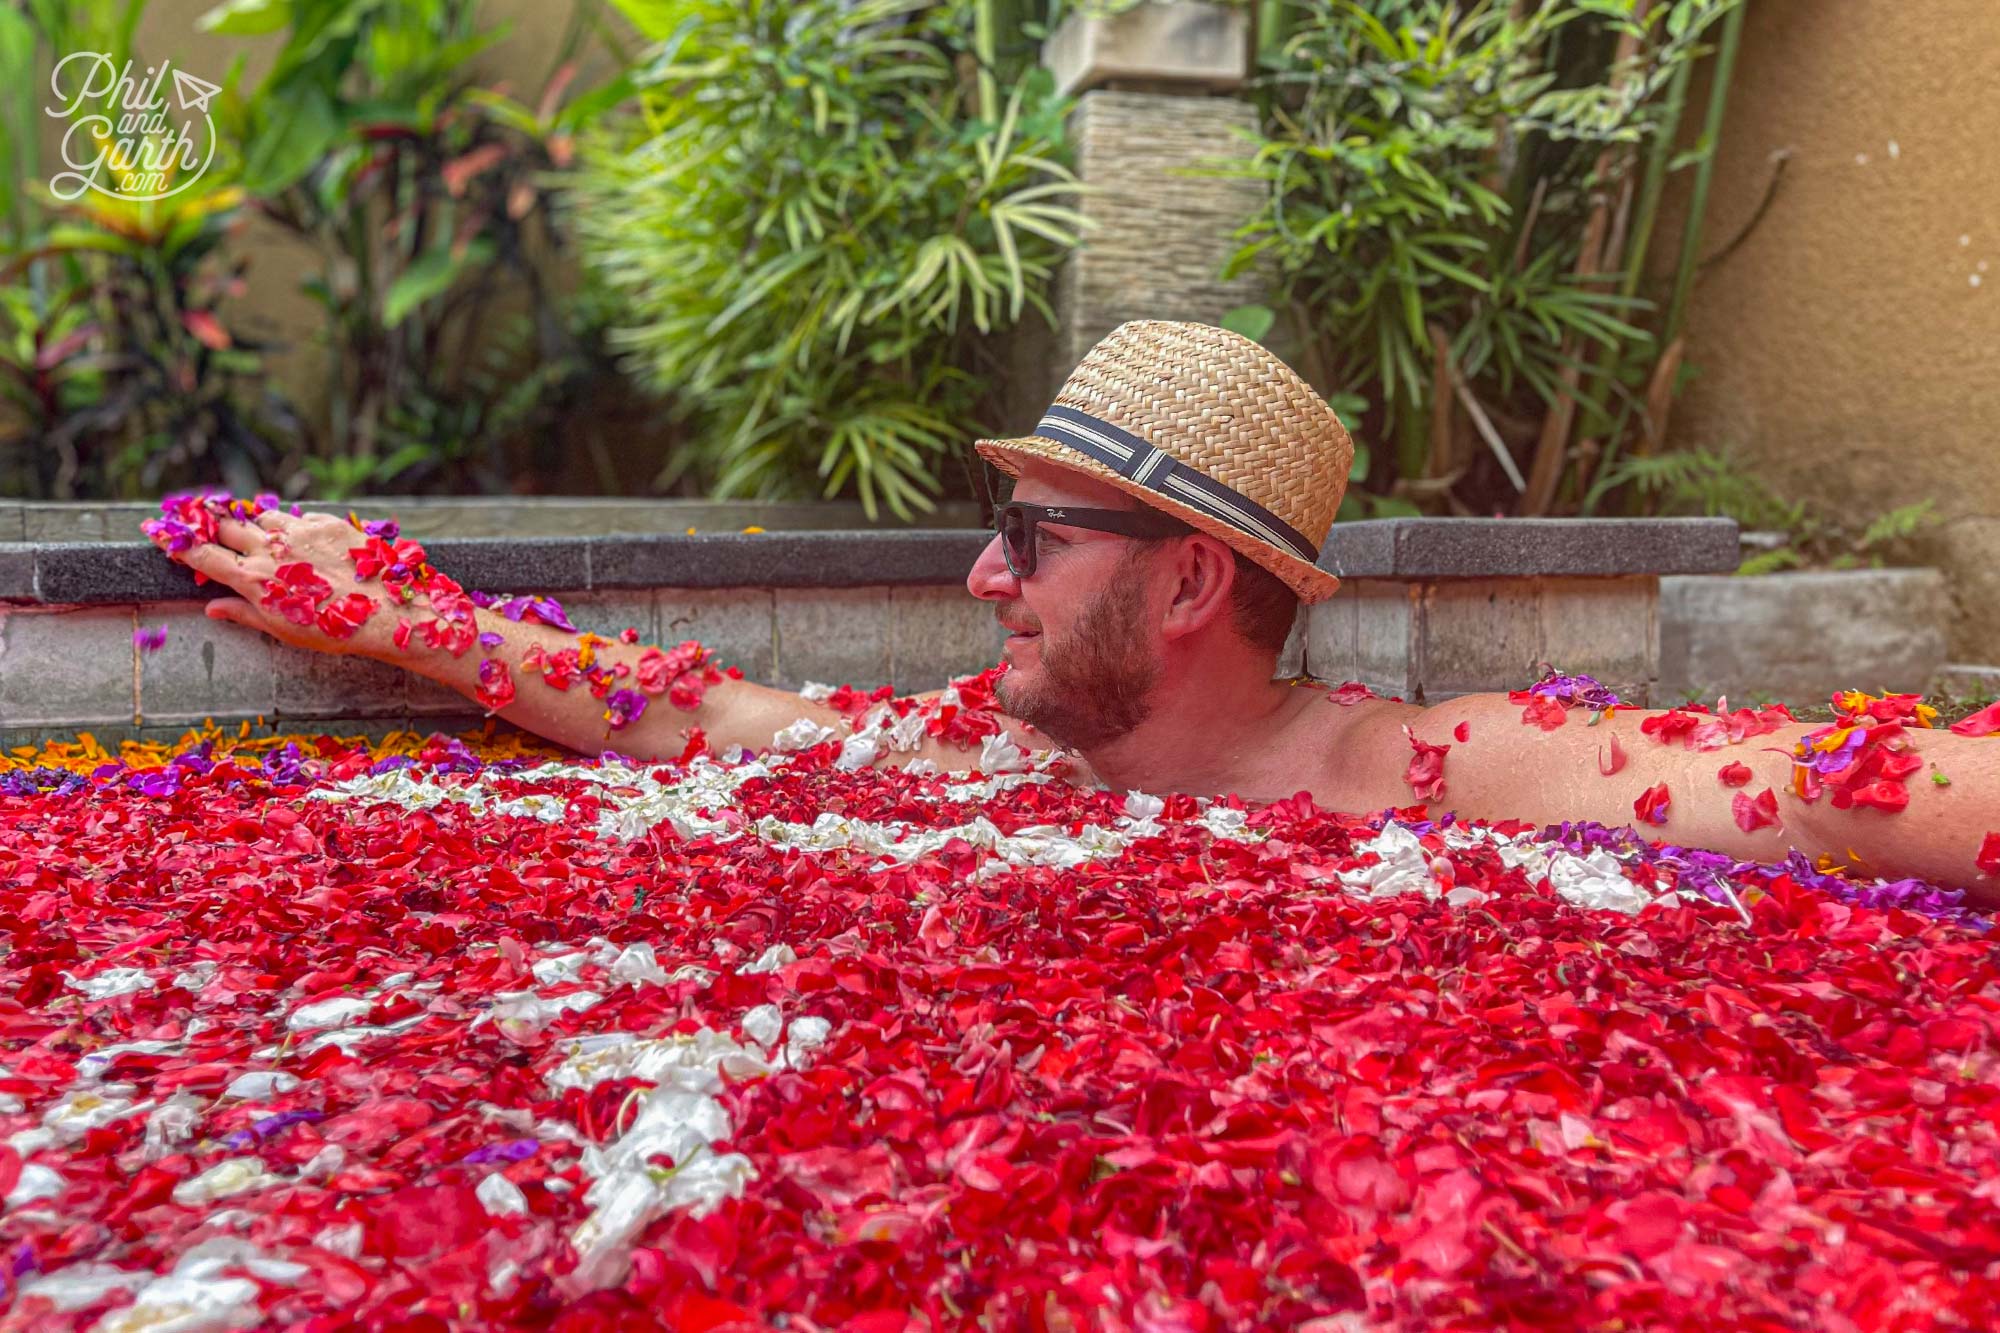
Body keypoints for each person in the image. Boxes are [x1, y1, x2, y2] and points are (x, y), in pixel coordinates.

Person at [163, 321, 2000, 903]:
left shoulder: (1440, 773)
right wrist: (402, 615)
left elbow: (1831, 785)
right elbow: (692, 718)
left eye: (1032, 537)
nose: (983, 576)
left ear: (1192, 577)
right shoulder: (987, 766)